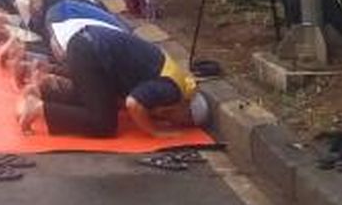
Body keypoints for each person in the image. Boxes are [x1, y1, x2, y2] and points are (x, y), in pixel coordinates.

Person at [19, 24, 208, 138]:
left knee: (100, 101)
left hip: (87, 44)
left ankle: (44, 90)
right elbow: (134, 104)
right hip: (92, 52)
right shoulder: (172, 90)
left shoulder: (176, 81)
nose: (175, 123)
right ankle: (38, 108)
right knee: (104, 124)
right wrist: (155, 132)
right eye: (183, 122)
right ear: (186, 110)